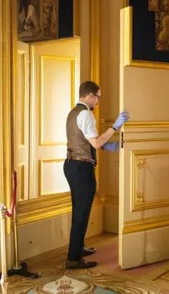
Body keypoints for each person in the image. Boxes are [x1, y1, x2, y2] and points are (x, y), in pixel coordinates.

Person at [63, 81, 129, 269]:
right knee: (82, 213)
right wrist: (115, 127)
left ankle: (78, 248)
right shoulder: (86, 114)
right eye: (98, 97)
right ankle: (73, 258)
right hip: (81, 168)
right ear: (90, 96)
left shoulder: (73, 112)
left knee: (80, 210)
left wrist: (107, 146)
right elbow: (96, 143)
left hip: (72, 165)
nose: (99, 101)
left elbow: (86, 141)